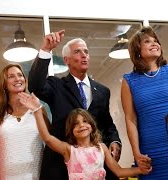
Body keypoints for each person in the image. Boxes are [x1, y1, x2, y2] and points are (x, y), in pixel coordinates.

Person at [28, 30, 122, 180]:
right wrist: (46, 50)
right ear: (67, 60)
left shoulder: (103, 91)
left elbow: (107, 123)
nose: (84, 55)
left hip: (95, 167)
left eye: (86, 51)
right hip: (60, 166)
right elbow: (35, 86)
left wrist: (115, 141)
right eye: (78, 52)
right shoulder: (56, 85)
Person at [18, 92, 152, 179]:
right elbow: (47, 137)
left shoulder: (102, 148)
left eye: (85, 121)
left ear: (92, 125)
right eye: (76, 124)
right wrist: (36, 110)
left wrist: (139, 170)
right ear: (71, 131)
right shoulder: (69, 150)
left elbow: (118, 171)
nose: (81, 125)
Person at [121, 26, 168, 180]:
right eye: (147, 41)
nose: (154, 43)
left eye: (156, 41)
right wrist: (136, 153)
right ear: (137, 50)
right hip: (151, 152)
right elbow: (130, 119)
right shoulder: (128, 81)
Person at [0, 64, 49, 179]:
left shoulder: (38, 107)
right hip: (6, 175)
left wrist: (37, 109)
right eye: (11, 76)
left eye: (20, 75)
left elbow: (50, 140)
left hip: (36, 175)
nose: (17, 79)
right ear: (4, 84)